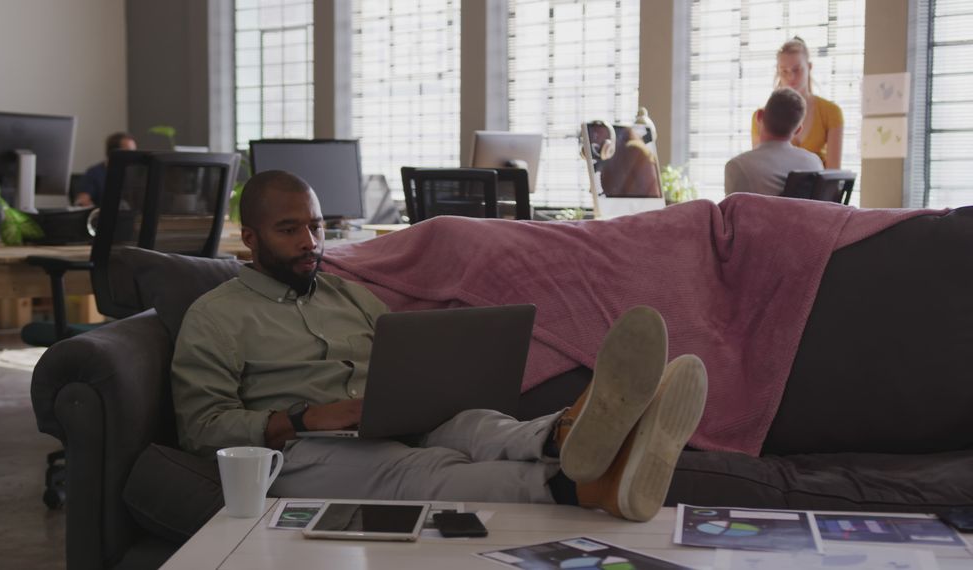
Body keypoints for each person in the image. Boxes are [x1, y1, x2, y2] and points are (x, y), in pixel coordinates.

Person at [170, 170, 709, 522]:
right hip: (304, 451)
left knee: (477, 424)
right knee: (425, 473)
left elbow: (409, 361)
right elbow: (201, 425)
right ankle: (593, 485)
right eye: (289, 230)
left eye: (315, 227)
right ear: (251, 237)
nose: (310, 244)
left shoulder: (348, 295)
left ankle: (572, 431)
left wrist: (432, 390)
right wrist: (305, 418)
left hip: (393, 420)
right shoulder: (216, 316)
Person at [751, 37, 844, 169]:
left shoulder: (831, 112)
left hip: (818, 188)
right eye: (784, 71)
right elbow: (759, 167)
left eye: (797, 70)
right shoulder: (761, 116)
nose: (791, 77)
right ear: (778, 71)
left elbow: (834, 171)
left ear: (809, 67)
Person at [726, 88, 824, 197]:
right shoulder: (814, 163)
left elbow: (733, 213)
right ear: (798, 130)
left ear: (759, 116)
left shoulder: (738, 166)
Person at [74, 131, 137, 207]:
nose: (133, 156)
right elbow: (82, 200)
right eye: (129, 152)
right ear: (114, 152)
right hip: (104, 217)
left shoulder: (134, 174)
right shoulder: (94, 173)